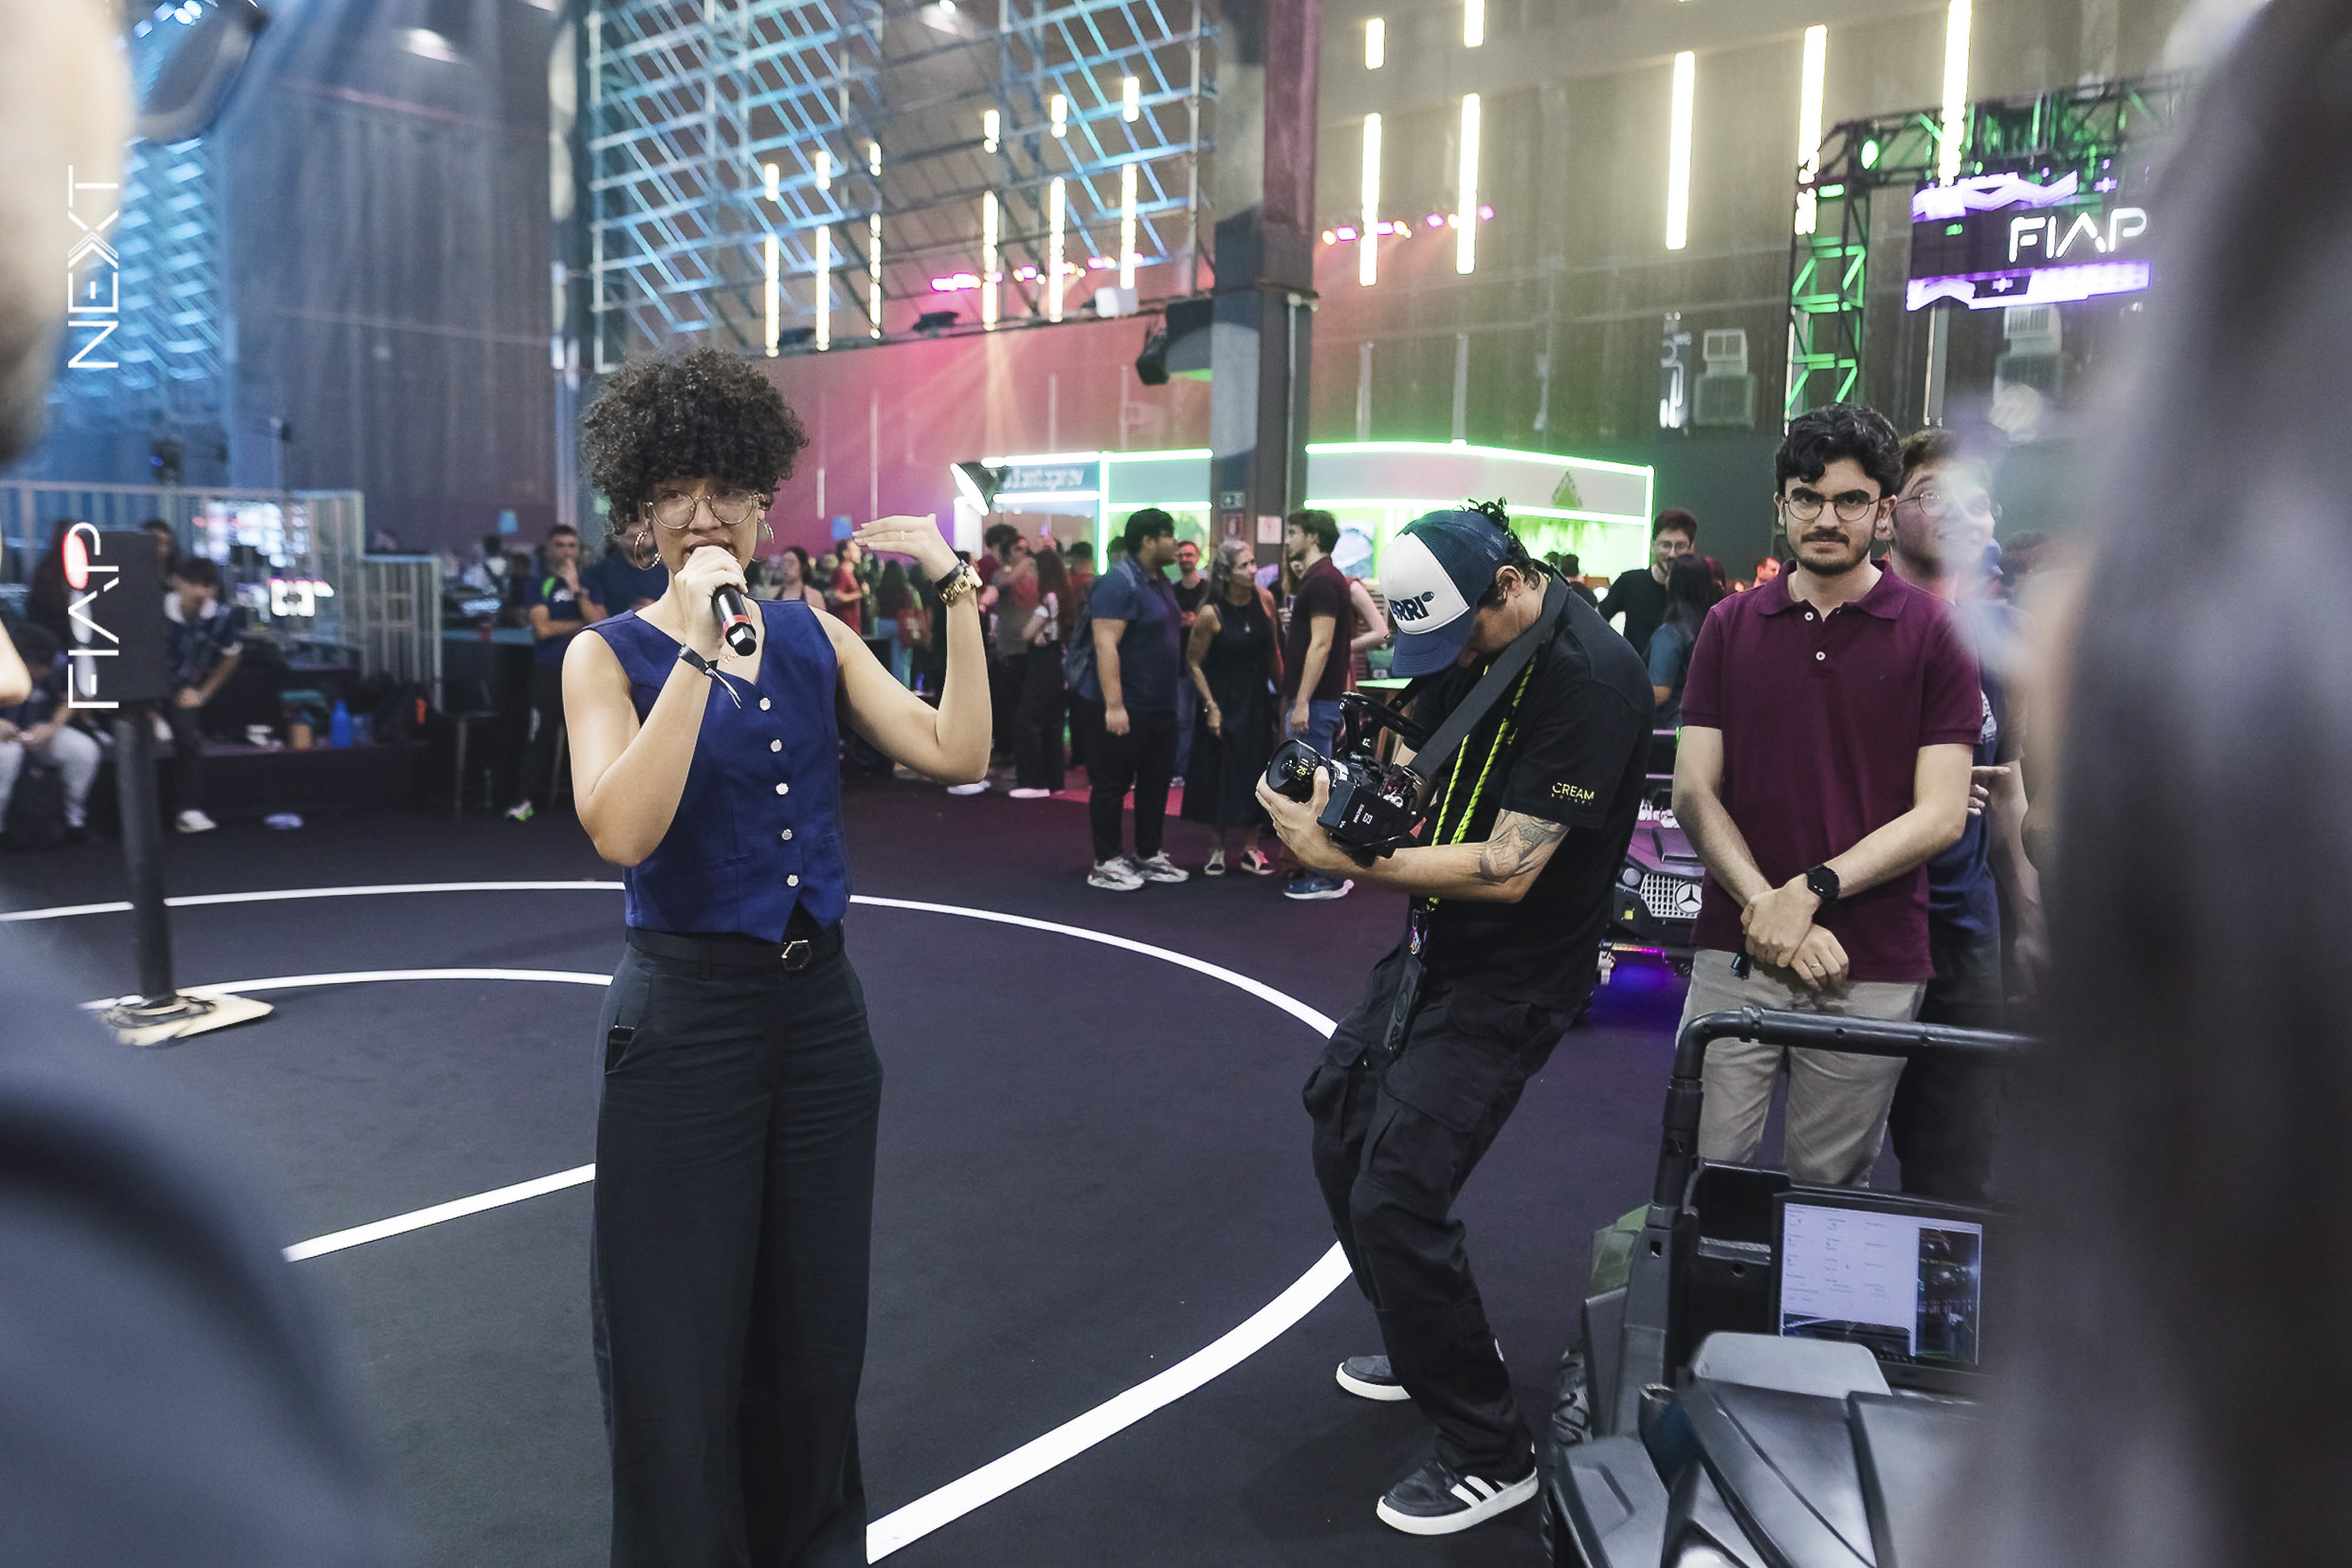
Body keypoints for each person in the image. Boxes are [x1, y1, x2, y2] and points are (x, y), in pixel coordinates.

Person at [564, 347, 987, 1568]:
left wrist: (956, 587)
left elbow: (956, 750)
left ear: (761, 505)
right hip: (684, 1025)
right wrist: (699, 657)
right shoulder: (607, 655)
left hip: (820, 1024)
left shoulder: (815, 635)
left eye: (727, 490)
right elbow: (621, 829)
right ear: (640, 518)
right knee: (675, 1344)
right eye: (675, 493)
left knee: (814, 1337)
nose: (704, 515)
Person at [1256, 504, 1652, 1537]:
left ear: (1510, 585)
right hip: (1435, 943)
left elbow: (1511, 867)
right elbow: (1419, 736)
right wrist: (1348, 783)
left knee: (1397, 1192)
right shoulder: (1476, 636)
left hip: (1513, 976)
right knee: (1338, 1120)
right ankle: (1429, 1339)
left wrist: (1338, 857)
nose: (1454, 657)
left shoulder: (1593, 678)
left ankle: (1490, 1451)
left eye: (1463, 634)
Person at [1669, 405, 1978, 1186]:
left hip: (1870, 957)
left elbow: (1941, 814)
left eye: (1849, 500)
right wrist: (1765, 908)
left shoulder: (1936, 633)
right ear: (1780, 505)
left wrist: (1807, 893)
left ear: (1882, 511)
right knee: (1702, 1178)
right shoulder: (1728, 625)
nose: (1825, 518)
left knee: (1829, 1196)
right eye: (1806, 497)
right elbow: (1693, 792)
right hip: (1737, 943)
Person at [1883, 428, 2048, 1202]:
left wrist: (2030, 920)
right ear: (1887, 513)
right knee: (1834, 1154)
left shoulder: (2008, 636)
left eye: (1974, 500)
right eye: (1932, 495)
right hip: (1863, 916)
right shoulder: (1853, 621)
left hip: (1964, 924)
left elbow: (2010, 786)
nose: (1956, 513)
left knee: (1956, 1160)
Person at [1077, 508, 1189, 890]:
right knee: (1112, 784)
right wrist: (1114, 706)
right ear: (1148, 540)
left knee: (1155, 785)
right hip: (1126, 704)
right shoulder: (1118, 582)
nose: (1176, 544)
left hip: (1162, 704)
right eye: (1169, 536)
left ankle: (1148, 853)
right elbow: (1105, 644)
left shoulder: (1161, 581)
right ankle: (1107, 862)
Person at [1181, 538, 1282, 875]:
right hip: (1221, 695)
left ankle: (1252, 849)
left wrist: (1285, 694)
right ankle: (1216, 849)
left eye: (1253, 563)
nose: (1253, 570)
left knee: (1255, 768)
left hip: (1255, 695)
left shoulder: (1265, 600)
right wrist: (1210, 705)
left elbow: (1272, 653)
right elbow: (1194, 662)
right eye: (1244, 565)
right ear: (1226, 573)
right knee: (1219, 770)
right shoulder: (1211, 613)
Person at [1279, 508, 1356, 901]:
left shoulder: (1324, 580)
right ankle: (1321, 870)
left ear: (1312, 536)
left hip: (1316, 701)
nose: (1288, 538)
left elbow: (1321, 643)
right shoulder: (1321, 578)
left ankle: (1326, 876)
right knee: (1311, 789)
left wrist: (1303, 701)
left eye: (1293, 531)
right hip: (1318, 700)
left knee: (1314, 792)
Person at [505, 524, 603, 823]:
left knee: (590, 737)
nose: (566, 552)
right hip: (548, 668)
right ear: (549, 550)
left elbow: (601, 623)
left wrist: (576, 590)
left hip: (584, 669)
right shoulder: (538, 583)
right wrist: (581, 625)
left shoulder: (590, 584)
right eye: (560, 545)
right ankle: (523, 801)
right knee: (539, 734)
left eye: (571, 546)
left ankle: (595, 806)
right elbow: (543, 628)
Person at [162, 556, 243, 835]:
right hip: (144, 687)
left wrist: (203, 693)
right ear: (177, 583)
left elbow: (233, 655)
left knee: (189, 739)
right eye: (194, 584)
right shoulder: (156, 612)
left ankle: (188, 810)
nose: (200, 592)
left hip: (182, 691)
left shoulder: (220, 616)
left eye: (207, 586)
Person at [0, 625, 99, 842]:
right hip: (4, 737)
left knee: (83, 750)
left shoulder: (59, 663)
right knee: (8, 756)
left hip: (37, 730)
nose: (44, 672)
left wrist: (53, 726)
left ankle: (74, 820)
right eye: (37, 666)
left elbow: (74, 697)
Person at [1008, 546, 1075, 799]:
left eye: (1035, 569)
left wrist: (1034, 633)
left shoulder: (1048, 600)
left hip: (1042, 664)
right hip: (1057, 662)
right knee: (1053, 724)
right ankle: (1054, 781)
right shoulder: (1065, 597)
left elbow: (1027, 632)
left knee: (1027, 722)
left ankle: (1033, 781)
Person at [1596, 508, 1698, 658]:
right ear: (1653, 546)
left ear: (1691, 548)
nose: (1672, 553)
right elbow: (1594, 622)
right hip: (1633, 671)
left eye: (1680, 546)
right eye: (1665, 545)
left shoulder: (1700, 590)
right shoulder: (1630, 582)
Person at [1644, 556, 1718, 730]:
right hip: (1704, 724)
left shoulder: (1670, 633)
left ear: (1675, 582)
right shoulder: (1711, 626)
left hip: (1670, 728)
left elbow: (1660, 691)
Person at [1172, 538, 1207, 773]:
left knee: (1204, 719)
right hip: (1179, 666)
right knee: (1183, 720)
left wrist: (1197, 621)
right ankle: (1183, 769)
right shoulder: (1171, 591)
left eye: (1189, 555)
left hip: (1205, 665)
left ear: (1197, 557)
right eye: (1181, 555)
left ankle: (1201, 767)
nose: (1185, 559)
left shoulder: (1207, 590)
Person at [590, 520, 669, 615]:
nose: (638, 542)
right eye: (632, 537)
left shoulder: (668, 574)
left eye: (642, 536)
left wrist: (656, 610)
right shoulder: (601, 573)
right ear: (619, 539)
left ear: (654, 537)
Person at [827, 538, 866, 635]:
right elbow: (837, 597)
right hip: (844, 627)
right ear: (845, 553)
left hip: (852, 626)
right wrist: (859, 593)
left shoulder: (850, 573)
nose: (859, 554)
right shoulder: (841, 573)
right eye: (855, 551)